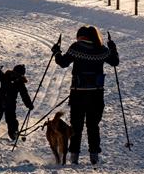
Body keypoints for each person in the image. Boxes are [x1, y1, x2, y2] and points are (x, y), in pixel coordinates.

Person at [51, 26, 119, 165]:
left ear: (81, 36)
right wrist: (112, 48)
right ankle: (94, 156)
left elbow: (63, 63)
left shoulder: (76, 48)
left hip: (78, 94)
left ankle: (74, 156)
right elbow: (115, 61)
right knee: (93, 126)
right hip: (96, 95)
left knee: (76, 126)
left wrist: (56, 52)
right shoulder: (102, 50)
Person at [0, 65, 33, 141]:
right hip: (5, 101)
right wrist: (29, 105)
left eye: (19, 74)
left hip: (5, 102)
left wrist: (29, 104)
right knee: (2, 117)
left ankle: (9, 133)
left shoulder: (13, 80)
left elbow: (24, 95)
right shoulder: (12, 79)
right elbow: (24, 95)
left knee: (4, 117)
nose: (17, 75)